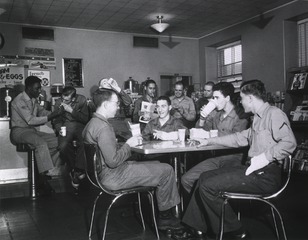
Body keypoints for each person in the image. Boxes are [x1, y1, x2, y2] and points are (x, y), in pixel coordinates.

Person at [175, 79, 297, 239]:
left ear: (251, 98)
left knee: (207, 186)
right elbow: (239, 138)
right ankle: (196, 229)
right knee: (203, 177)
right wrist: (209, 140)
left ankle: (235, 231)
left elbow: (290, 143)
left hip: (265, 176)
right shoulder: (257, 118)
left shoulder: (274, 114)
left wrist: (264, 158)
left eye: (242, 98)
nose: (240, 101)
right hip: (254, 171)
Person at [82, 89, 182, 231]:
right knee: (167, 170)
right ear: (105, 105)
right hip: (112, 176)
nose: (118, 107)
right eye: (116, 103)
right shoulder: (104, 127)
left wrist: (123, 145)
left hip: (100, 175)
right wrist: (129, 144)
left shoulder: (92, 123)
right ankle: (165, 218)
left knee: (157, 164)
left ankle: (153, 210)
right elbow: (113, 161)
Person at [181, 82, 249, 194]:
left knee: (210, 184)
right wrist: (202, 117)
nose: (213, 101)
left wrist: (209, 137)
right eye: (213, 97)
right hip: (216, 157)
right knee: (187, 179)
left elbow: (236, 139)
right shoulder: (215, 114)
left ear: (227, 98)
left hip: (234, 158)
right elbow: (200, 131)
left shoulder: (241, 115)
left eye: (217, 97)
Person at [10, 76, 64, 194]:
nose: (39, 91)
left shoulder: (33, 99)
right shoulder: (19, 100)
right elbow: (30, 120)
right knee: (41, 143)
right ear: (29, 88)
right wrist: (52, 116)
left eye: (40, 88)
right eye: (37, 88)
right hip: (19, 131)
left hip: (31, 131)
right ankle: (43, 180)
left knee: (59, 141)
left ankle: (44, 170)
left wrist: (56, 113)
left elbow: (42, 112)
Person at [53, 86, 89, 191]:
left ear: (73, 99)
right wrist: (59, 128)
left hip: (80, 126)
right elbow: (56, 119)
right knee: (62, 146)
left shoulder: (82, 99)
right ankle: (75, 169)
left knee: (84, 143)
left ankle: (79, 169)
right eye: (62, 98)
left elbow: (85, 119)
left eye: (66, 100)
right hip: (66, 126)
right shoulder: (59, 101)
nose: (63, 101)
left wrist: (71, 111)